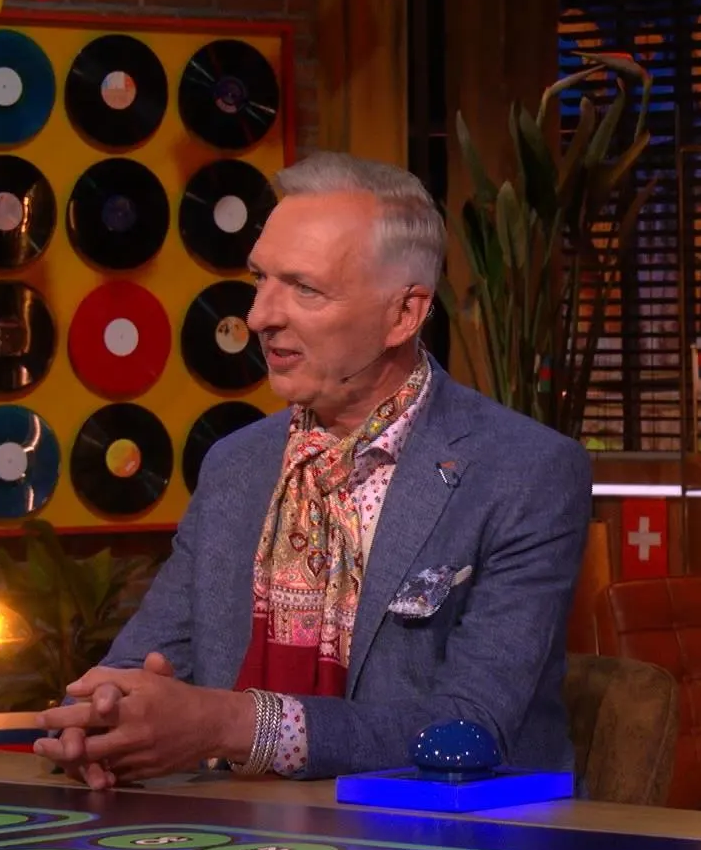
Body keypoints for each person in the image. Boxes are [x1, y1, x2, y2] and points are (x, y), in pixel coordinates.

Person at [35, 152, 593, 787]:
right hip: (238, 835)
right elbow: (140, 664)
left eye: (304, 288)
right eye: (261, 279)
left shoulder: (524, 472)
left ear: (404, 315)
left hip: (445, 836)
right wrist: (97, 719)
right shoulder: (236, 465)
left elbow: (470, 726)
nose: (260, 316)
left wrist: (234, 725)